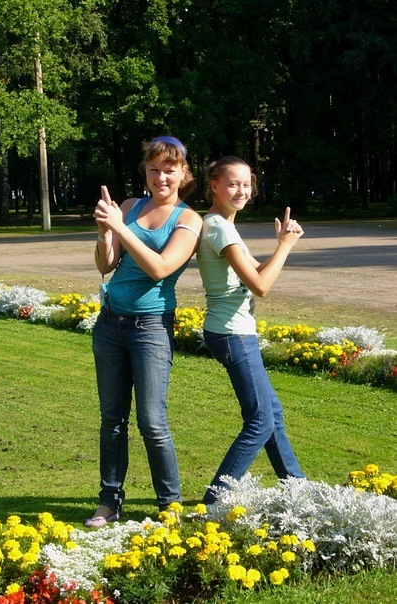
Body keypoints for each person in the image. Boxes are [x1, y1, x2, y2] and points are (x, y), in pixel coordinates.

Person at [85, 136, 203, 527]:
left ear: (183, 173)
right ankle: (109, 502)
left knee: (152, 422)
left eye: (169, 170)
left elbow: (160, 268)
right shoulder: (131, 207)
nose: (161, 178)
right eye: (154, 170)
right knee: (111, 419)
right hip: (110, 324)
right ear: (146, 171)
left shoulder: (189, 219)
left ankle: (170, 506)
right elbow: (106, 265)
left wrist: (121, 227)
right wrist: (105, 233)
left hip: (150, 328)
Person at [196, 155, 306, 505]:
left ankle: (298, 487)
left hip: (234, 331)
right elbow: (260, 286)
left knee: (271, 413)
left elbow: (252, 273)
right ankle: (214, 501)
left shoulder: (222, 225)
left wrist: (280, 245)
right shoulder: (218, 227)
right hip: (232, 333)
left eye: (246, 184)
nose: (241, 191)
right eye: (233, 184)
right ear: (214, 185)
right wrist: (285, 247)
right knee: (260, 421)